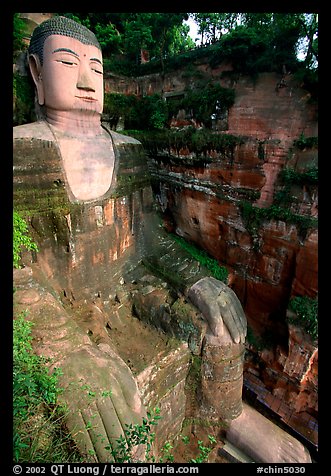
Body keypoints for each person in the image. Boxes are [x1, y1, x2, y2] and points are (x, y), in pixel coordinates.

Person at [13, 16, 246, 462]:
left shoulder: (129, 148)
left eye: (97, 70)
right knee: (107, 423)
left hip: (134, 282)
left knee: (223, 328)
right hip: (56, 307)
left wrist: (199, 281)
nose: (86, 81)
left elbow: (152, 240)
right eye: (67, 63)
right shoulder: (21, 150)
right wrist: (65, 352)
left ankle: (219, 423)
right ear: (37, 73)